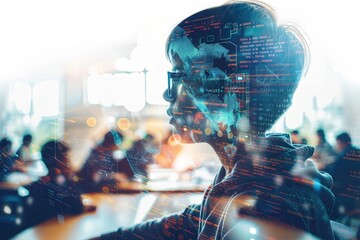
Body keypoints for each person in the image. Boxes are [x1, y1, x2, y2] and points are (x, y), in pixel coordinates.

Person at [92, 1, 335, 239]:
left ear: (230, 92)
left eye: (180, 75)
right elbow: (185, 225)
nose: (168, 93)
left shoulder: (262, 206)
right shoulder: (243, 176)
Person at [25, 140, 92, 225]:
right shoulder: (59, 182)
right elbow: (77, 207)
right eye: (66, 156)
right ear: (57, 160)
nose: (69, 159)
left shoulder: (46, 181)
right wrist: (67, 176)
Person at [328, 132, 360, 228]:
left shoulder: (342, 156)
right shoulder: (357, 151)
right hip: (356, 193)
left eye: (337, 143)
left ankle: (328, 222)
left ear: (341, 142)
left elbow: (332, 175)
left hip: (343, 193)